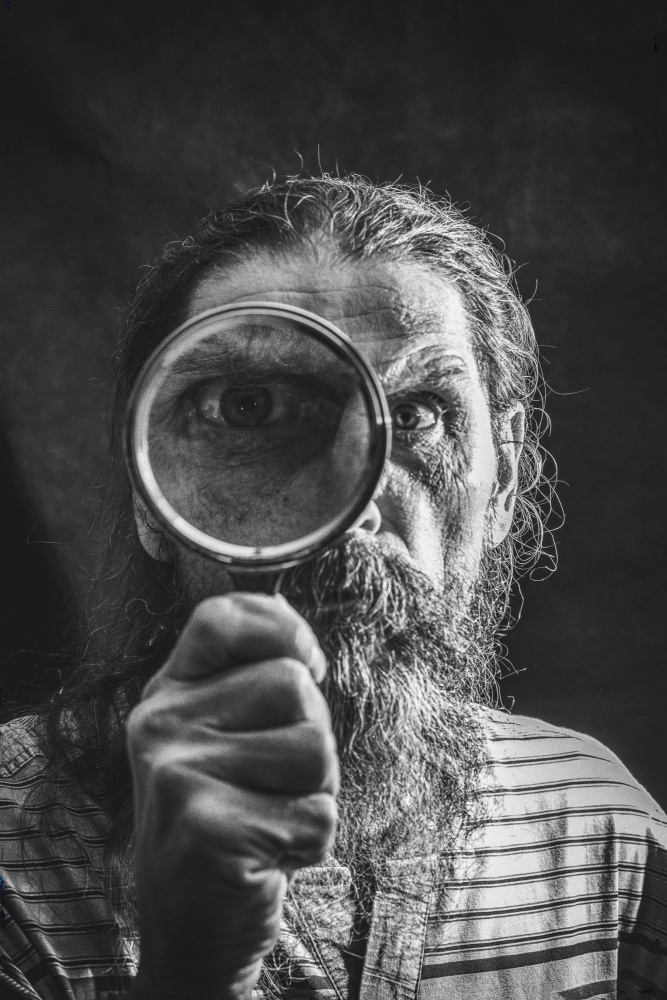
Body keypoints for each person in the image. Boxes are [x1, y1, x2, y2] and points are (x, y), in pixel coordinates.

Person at [1, 174, 665, 1000]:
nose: (346, 509)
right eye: (249, 407)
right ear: (148, 492)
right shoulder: (9, 852)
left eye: (419, 413)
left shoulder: (604, 834)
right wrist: (193, 975)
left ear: (504, 486)